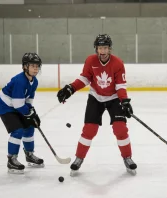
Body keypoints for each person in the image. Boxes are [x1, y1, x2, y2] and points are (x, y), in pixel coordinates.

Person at [57, 34, 137, 176]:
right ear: (96, 49)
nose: (103, 51)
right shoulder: (91, 61)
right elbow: (84, 79)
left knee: (120, 129)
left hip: (113, 98)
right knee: (89, 129)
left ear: (110, 49)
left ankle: (127, 158)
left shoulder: (118, 63)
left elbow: (120, 85)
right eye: (100, 48)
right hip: (96, 97)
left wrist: (124, 101)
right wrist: (71, 88)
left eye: (105, 48)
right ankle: (79, 158)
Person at [0, 52, 44, 174]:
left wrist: (32, 113)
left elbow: (28, 100)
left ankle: (29, 154)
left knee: (29, 126)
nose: (36, 68)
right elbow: (17, 104)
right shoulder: (19, 81)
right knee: (17, 130)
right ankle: (12, 159)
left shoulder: (35, 81)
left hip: (17, 105)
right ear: (25, 67)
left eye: (37, 66)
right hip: (5, 106)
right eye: (33, 66)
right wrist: (29, 113)